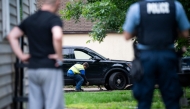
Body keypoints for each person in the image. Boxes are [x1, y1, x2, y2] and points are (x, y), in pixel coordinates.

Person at [123, 0, 190, 109]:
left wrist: (140, 30)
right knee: (172, 99)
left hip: (146, 58)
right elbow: (186, 33)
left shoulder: (137, 8)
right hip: (167, 56)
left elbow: (127, 35)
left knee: (144, 100)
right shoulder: (175, 6)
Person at [7, 0, 64, 109]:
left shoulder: (30, 19)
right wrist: (59, 56)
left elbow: (12, 36)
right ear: (57, 3)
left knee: (35, 105)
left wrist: (22, 56)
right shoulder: (53, 19)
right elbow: (57, 36)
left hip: (33, 69)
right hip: (50, 68)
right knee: (53, 104)